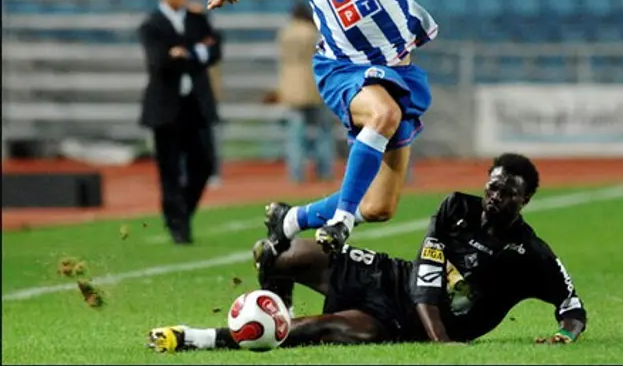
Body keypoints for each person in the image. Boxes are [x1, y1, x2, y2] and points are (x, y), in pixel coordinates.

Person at [206, 0, 480, 257]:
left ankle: (290, 220)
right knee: (384, 113)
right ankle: (341, 221)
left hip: (398, 70)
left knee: (379, 207)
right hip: (342, 70)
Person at [146, 153, 587, 351]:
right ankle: (271, 306)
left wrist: (566, 334)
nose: (496, 197)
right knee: (278, 256)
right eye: (493, 186)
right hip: (392, 277)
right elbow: (428, 279)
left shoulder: (530, 254)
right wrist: (444, 344)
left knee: (314, 329)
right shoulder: (456, 206)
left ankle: (197, 338)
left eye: (508, 193)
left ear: (524, 200)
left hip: (396, 321)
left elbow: (571, 304)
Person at [139, 0, 222, 244]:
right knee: (170, 169)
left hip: (196, 105)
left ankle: (181, 212)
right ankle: (178, 226)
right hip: (166, 107)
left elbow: (215, 51)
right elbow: (160, 62)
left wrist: (184, 53)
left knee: (204, 164)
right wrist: (195, 52)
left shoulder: (198, 19)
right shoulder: (151, 24)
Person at [278, 1, 335, 182]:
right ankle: (324, 170)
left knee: (295, 134)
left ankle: (296, 173)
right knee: (323, 131)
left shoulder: (285, 33)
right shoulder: (312, 33)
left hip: (291, 86)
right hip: (313, 84)